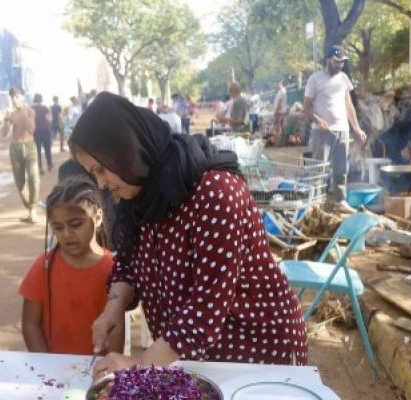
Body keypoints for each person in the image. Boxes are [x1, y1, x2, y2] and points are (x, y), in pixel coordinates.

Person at [69, 92, 308, 378]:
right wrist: (114, 306)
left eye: (100, 169)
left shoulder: (216, 194)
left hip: (255, 355)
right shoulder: (140, 195)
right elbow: (129, 261)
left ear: (124, 150)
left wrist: (139, 365)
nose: (101, 183)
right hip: (191, 358)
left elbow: (206, 307)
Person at [19, 176, 120, 355]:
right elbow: (30, 324)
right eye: (58, 227)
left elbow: (116, 330)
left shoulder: (114, 271)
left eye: (76, 224)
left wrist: (107, 370)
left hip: (96, 372)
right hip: (51, 372)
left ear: (97, 218)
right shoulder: (43, 266)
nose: (66, 234)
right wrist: (45, 365)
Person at [304, 46, 366, 212]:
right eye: (337, 62)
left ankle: (341, 202)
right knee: (319, 168)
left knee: (341, 168)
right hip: (322, 131)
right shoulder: (315, 79)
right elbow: (307, 107)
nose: (339, 65)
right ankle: (314, 204)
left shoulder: (344, 78)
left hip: (342, 129)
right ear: (328, 59)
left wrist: (357, 128)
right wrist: (317, 120)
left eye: (342, 62)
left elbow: (349, 105)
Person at [3, 88, 40, 223]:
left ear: (23, 97)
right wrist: (6, 119)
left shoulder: (30, 111)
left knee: (33, 177)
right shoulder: (10, 113)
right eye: (13, 97)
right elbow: (4, 133)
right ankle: (29, 207)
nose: (14, 99)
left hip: (29, 146)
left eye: (17, 96)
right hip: (15, 147)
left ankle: (33, 208)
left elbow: (31, 129)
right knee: (20, 181)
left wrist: (25, 114)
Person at [32, 94, 53, 175]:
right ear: (41, 100)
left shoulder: (31, 109)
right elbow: (49, 119)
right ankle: (49, 164)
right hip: (45, 131)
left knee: (37, 150)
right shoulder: (44, 108)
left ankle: (39, 167)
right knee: (47, 148)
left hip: (35, 131)